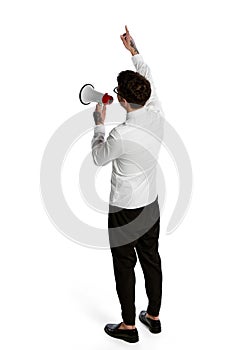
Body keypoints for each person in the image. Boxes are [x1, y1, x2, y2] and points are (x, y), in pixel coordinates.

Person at [91, 25, 165, 343]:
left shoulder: (121, 134)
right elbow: (145, 74)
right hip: (150, 204)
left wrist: (98, 124)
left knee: (124, 263)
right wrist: (133, 49)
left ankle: (128, 326)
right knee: (151, 258)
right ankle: (154, 316)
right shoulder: (156, 111)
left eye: (117, 92)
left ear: (121, 100)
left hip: (123, 209)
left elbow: (98, 157)